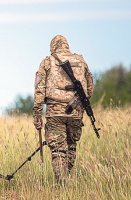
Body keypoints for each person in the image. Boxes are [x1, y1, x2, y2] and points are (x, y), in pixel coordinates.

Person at [33, 35, 94, 183]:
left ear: (53, 47)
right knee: (71, 147)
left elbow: (39, 91)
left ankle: (63, 184)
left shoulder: (47, 62)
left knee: (59, 150)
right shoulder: (81, 61)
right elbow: (90, 90)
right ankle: (67, 179)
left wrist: (37, 116)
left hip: (55, 113)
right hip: (76, 112)